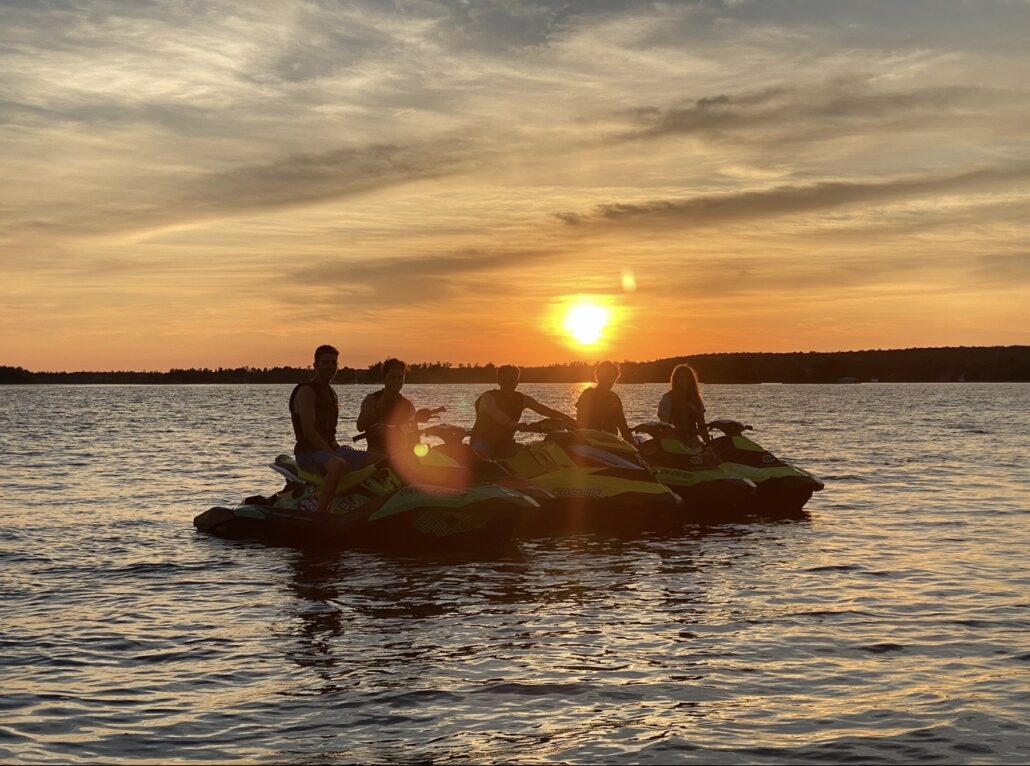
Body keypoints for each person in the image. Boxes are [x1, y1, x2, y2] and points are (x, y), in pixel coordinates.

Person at [289, 345, 370, 514]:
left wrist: (337, 450)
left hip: (330, 451)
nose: (330, 367)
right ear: (315, 366)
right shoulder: (307, 391)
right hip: (308, 454)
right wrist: (334, 454)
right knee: (338, 464)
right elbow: (309, 432)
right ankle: (320, 512)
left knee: (383, 460)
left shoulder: (331, 393)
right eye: (325, 362)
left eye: (334, 363)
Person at [470, 365, 575, 458]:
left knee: (535, 455)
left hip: (505, 444)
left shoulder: (522, 399)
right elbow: (496, 413)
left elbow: (547, 411)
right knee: (483, 459)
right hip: (482, 442)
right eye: (504, 380)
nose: (508, 383)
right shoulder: (488, 397)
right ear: (499, 381)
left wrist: (573, 422)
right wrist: (515, 425)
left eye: (511, 380)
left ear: (517, 381)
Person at [356, 358, 419, 455]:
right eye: (392, 377)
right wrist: (379, 407)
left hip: (402, 456)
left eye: (400, 377)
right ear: (384, 378)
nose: (396, 381)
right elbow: (360, 426)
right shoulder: (372, 400)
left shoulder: (408, 405)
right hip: (376, 454)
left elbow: (416, 438)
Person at [576, 360, 633, 442]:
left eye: (612, 378)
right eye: (607, 377)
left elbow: (623, 427)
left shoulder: (614, 399)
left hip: (609, 443)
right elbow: (581, 421)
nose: (609, 382)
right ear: (598, 376)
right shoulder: (588, 395)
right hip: (590, 442)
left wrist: (633, 445)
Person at [657, 363, 710, 448]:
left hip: (693, 441)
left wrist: (708, 444)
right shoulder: (667, 399)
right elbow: (664, 426)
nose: (685, 380)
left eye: (687, 378)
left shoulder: (696, 400)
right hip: (673, 442)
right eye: (681, 378)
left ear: (692, 380)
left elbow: (702, 426)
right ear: (676, 380)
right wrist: (674, 445)